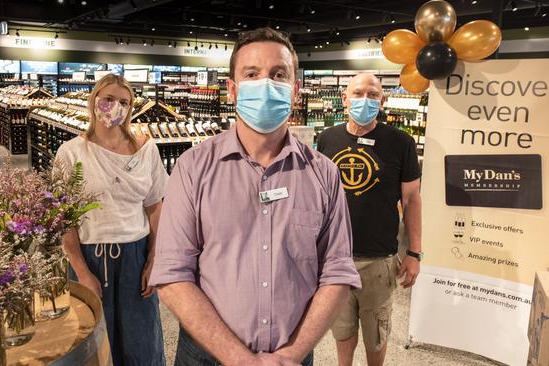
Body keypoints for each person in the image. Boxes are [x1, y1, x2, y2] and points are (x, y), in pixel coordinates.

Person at [149, 27, 361, 366]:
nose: (266, 84)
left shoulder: (324, 174)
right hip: (206, 355)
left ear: (295, 90)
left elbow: (337, 271)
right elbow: (173, 274)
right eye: (252, 74)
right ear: (232, 89)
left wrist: (292, 354)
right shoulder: (193, 167)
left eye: (278, 74)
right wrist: (238, 358)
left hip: (292, 356)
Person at [54, 74, 167, 365]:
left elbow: (155, 207)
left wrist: (155, 259)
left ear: (131, 108)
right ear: (93, 101)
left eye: (124, 102)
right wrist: (81, 272)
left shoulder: (146, 150)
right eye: (108, 99)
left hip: (136, 254)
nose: (115, 106)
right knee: (94, 342)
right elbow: (65, 220)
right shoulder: (70, 152)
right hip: (91, 257)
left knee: (142, 342)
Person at [316, 73, 423, 366]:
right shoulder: (327, 138)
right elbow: (318, 198)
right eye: (358, 93)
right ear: (344, 98)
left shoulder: (401, 142)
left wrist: (414, 252)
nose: (365, 100)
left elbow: (412, 200)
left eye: (373, 95)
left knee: (376, 334)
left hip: (378, 260)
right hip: (335, 259)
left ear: (382, 101)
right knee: (342, 331)